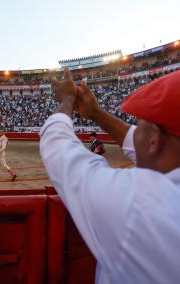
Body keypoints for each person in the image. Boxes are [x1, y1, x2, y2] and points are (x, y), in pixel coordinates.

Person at [40, 69, 180, 283]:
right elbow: (142, 141)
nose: (135, 130)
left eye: (139, 125)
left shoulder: (141, 204)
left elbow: (59, 149)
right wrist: (95, 113)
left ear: (154, 139)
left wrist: (67, 99)